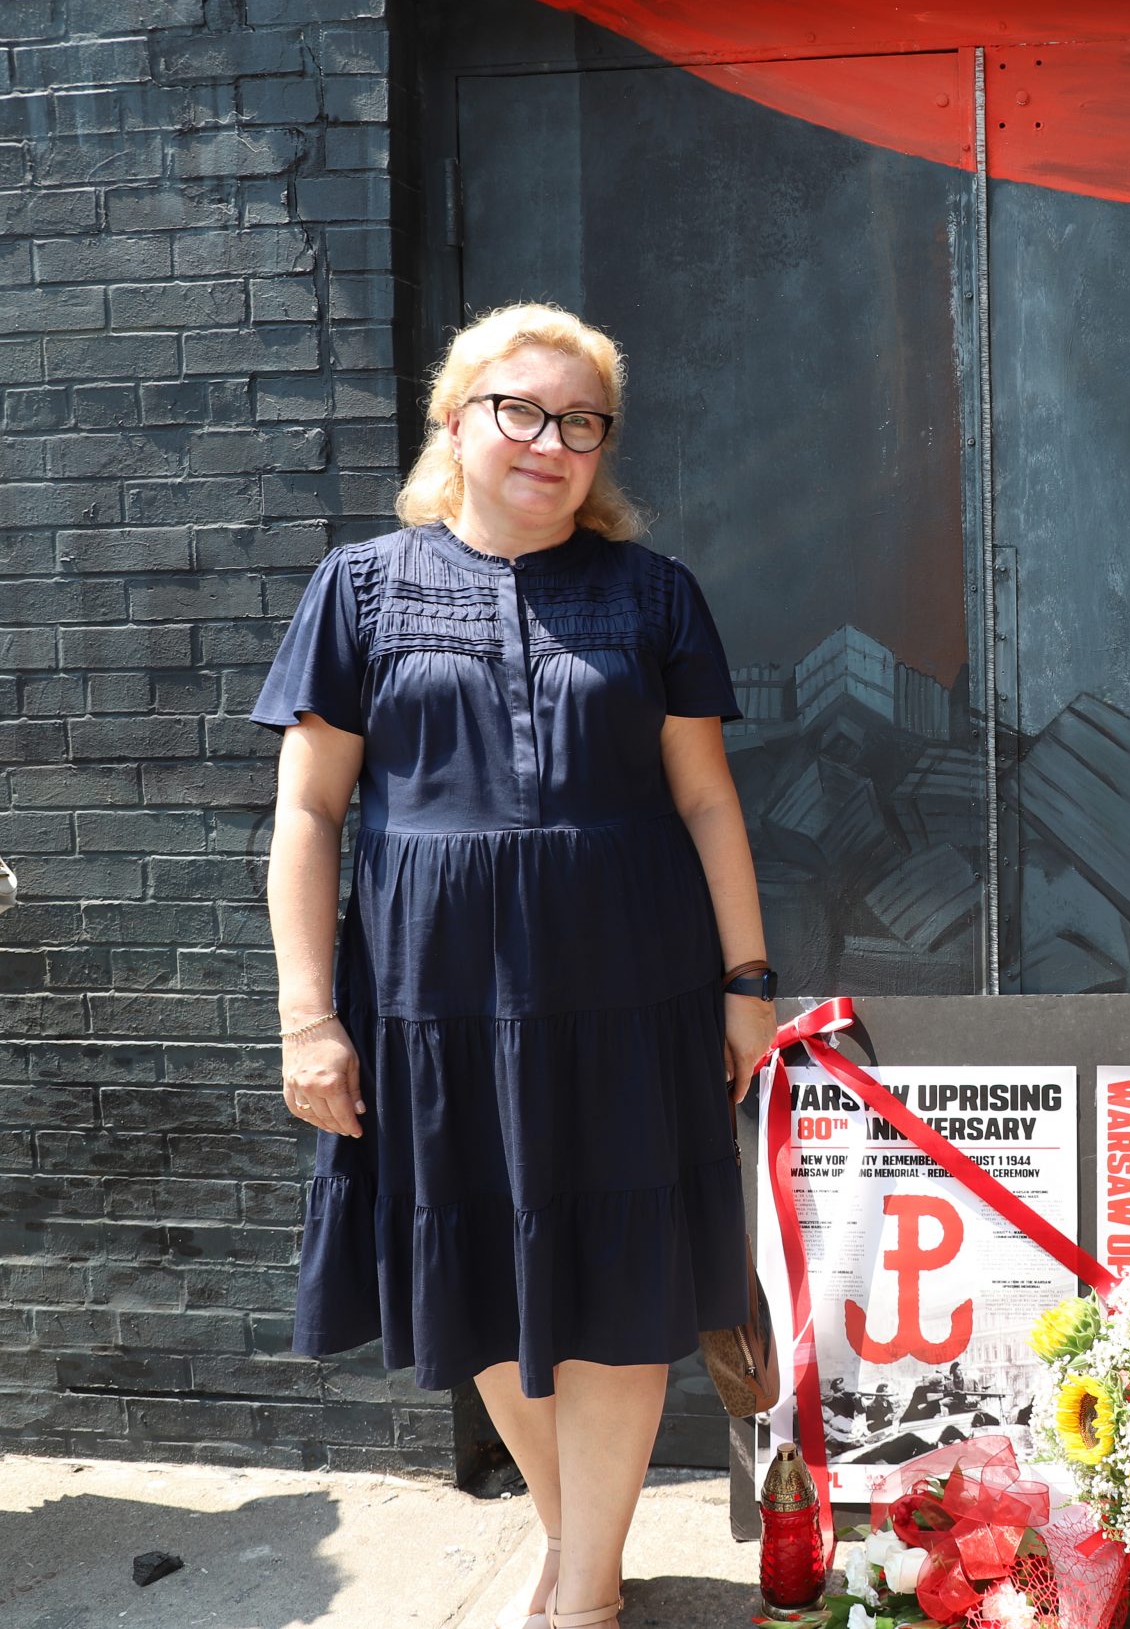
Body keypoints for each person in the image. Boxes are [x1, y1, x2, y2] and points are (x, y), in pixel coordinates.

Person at [257, 304, 775, 1629]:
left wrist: (747, 979)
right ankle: (573, 1534)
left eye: (581, 422)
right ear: (456, 419)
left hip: (631, 991)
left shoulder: (654, 593)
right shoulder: (360, 588)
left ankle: (585, 1591)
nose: (552, 442)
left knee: (622, 1283)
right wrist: (309, 1014)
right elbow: (308, 811)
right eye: (522, 411)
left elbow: (707, 798)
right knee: (477, 1275)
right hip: (432, 1002)